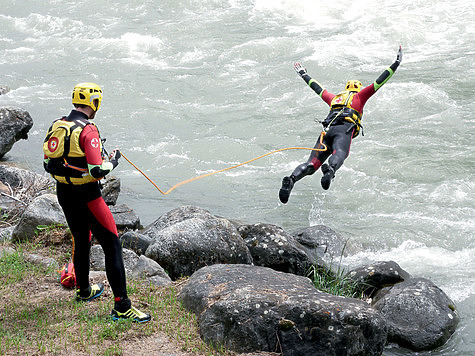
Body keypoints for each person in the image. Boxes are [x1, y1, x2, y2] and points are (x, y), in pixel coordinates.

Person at [43, 82, 151, 322]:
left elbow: (48, 161)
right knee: (112, 244)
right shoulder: (88, 131)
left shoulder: (57, 125)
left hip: (64, 192)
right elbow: (96, 170)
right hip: (88, 195)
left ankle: (83, 291)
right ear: (95, 103)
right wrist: (113, 161)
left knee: (81, 239)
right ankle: (122, 308)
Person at [279, 46, 403, 204]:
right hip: (343, 129)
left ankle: (291, 179)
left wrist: (303, 73)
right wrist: (396, 63)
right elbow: (378, 82)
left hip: (327, 132)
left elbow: (317, 88)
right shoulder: (359, 97)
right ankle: (330, 170)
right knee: (340, 153)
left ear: (346, 89)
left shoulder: (334, 98)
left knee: (311, 164)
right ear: (357, 88)